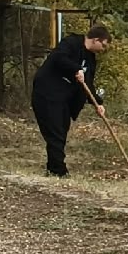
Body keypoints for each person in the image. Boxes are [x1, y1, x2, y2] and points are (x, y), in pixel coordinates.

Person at [32, 23, 112, 177]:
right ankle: (58, 170)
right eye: (103, 45)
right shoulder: (71, 43)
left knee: (61, 131)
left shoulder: (91, 59)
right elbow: (58, 58)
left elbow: (88, 83)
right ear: (96, 40)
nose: (103, 49)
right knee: (55, 132)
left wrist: (98, 103)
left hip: (64, 100)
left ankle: (53, 167)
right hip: (47, 93)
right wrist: (75, 68)